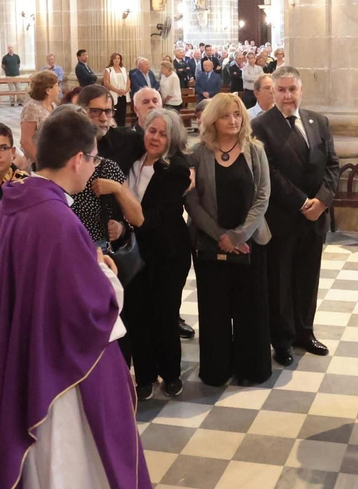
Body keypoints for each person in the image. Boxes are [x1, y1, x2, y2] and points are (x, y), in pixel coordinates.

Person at [0, 106, 164, 489]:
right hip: (63, 379)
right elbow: (90, 307)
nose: (94, 169)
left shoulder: (14, 201)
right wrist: (106, 271)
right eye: (94, 160)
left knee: (36, 473)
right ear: (78, 159)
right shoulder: (56, 217)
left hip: (23, 363)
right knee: (78, 471)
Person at [186, 92, 273, 387]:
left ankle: (252, 368)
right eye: (226, 115)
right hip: (212, 245)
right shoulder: (198, 153)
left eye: (237, 114)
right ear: (213, 120)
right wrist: (221, 236)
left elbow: (263, 195)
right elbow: (192, 201)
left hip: (251, 241)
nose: (233, 120)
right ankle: (217, 369)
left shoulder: (254, 149)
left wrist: (239, 235)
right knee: (215, 310)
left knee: (251, 308)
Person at [256, 66, 339, 364]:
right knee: (281, 279)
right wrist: (304, 202)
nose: (288, 95)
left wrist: (322, 201)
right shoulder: (261, 126)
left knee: (308, 276)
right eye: (281, 90)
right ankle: (282, 339)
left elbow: (332, 164)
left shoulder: (319, 121)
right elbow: (271, 173)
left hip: (316, 217)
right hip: (284, 216)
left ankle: (306, 331)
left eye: (293, 89)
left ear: (301, 91)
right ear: (272, 92)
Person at [119, 107, 191, 399]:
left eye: (163, 133)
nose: (156, 137)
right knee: (137, 315)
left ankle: (171, 373)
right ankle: (145, 376)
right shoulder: (131, 161)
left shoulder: (177, 169)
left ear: (172, 139)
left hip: (167, 252)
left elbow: (154, 216)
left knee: (164, 314)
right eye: (152, 130)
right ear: (143, 129)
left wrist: (125, 223)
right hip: (134, 252)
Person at [69, 85, 140, 246]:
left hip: (110, 243)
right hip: (71, 239)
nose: (103, 118)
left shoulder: (126, 140)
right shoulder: (65, 147)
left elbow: (161, 146)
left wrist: (190, 166)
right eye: (96, 111)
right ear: (81, 111)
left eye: (108, 111)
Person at [20, 70, 60, 169]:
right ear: (48, 90)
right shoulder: (31, 108)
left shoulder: (53, 105)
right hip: (37, 162)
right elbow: (25, 141)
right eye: (57, 85)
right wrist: (39, 163)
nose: (59, 88)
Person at [103, 52, 130, 126]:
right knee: (114, 115)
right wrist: (117, 90)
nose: (117, 60)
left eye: (118, 58)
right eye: (115, 58)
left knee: (122, 115)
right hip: (114, 95)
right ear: (112, 60)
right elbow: (106, 82)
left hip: (123, 95)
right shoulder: (108, 70)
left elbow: (128, 81)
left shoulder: (123, 69)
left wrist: (126, 90)